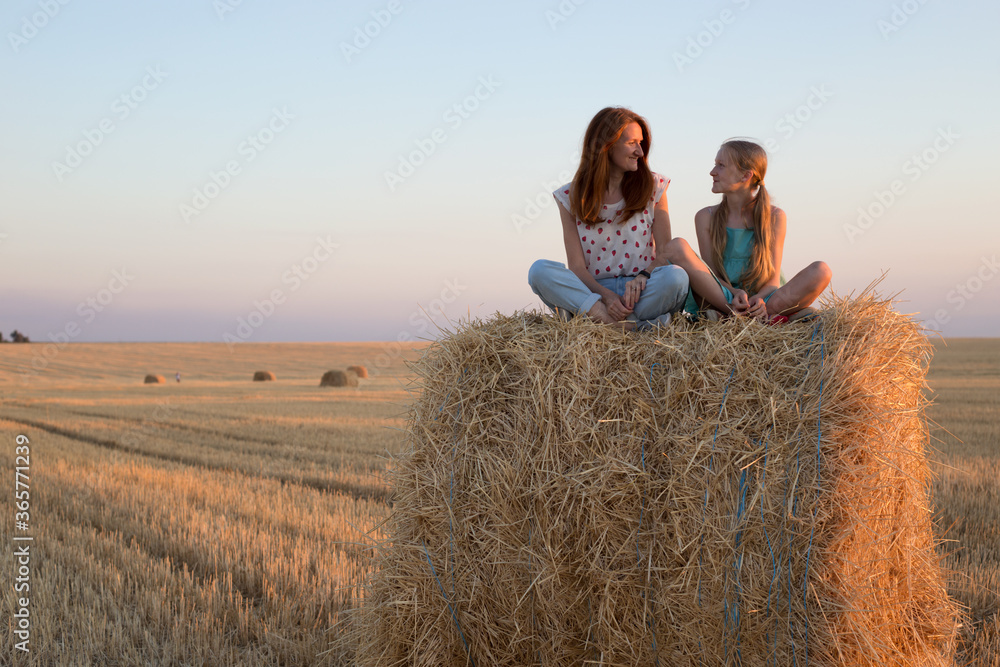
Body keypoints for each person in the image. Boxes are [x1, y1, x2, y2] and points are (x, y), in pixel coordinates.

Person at [527, 107, 689, 330]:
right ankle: (628, 327)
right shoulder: (570, 197)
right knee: (539, 271)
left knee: (676, 277)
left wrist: (643, 277)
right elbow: (577, 267)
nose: (640, 152)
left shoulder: (654, 187)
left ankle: (597, 324)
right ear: (606, 145)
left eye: (641, 143)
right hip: (594, 292)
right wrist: (605, 297)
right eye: (632, 143)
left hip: (642, 290)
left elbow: (664, 254)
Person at [660, 139, 831, 321]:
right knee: (677, 246)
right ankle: (754, 316)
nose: (712, 172)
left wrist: (759, 300)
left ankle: (755, 315)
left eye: (721, 165)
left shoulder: (775, 216)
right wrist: (734, 293)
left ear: (745, 176)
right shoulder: (705, 216)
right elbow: (713, 276)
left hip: (766, 298)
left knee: (822, 271)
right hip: (722, 297)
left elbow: (773, 280)